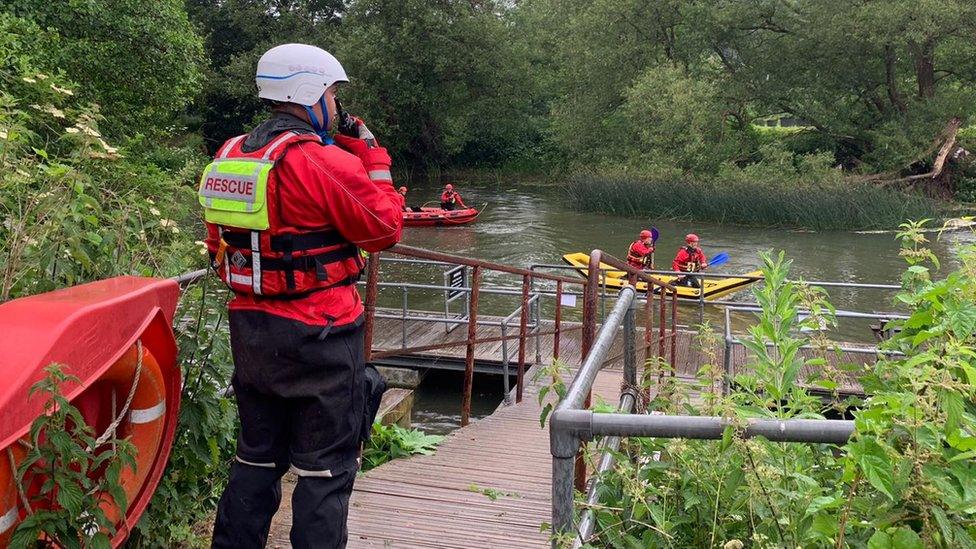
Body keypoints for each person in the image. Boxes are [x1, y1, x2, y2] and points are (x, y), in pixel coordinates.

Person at [202, 43, 403, 549]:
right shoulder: (324, 161)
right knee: (324, 473)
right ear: (312, 93)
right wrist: (372, 154)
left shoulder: (231, 155)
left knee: (255, 459)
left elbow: (217, 244)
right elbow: (385, 228)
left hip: (251, 332)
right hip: (321, 335)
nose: (336, 106)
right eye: (334, 93)